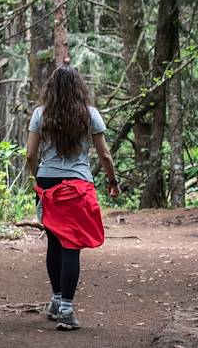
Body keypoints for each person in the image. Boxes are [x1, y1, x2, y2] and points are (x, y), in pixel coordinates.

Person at [25, 65, 118, 331]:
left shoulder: (40, 114)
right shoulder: (89, 115)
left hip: (48, 183)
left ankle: (56, 301)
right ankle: (65, 308)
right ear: (79, 88)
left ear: (51, 89)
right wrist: (112, 181)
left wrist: (38, 180)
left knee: (54, 242)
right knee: (71, 245)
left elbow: (30, 155)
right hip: (78, 184)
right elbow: (105, 155)